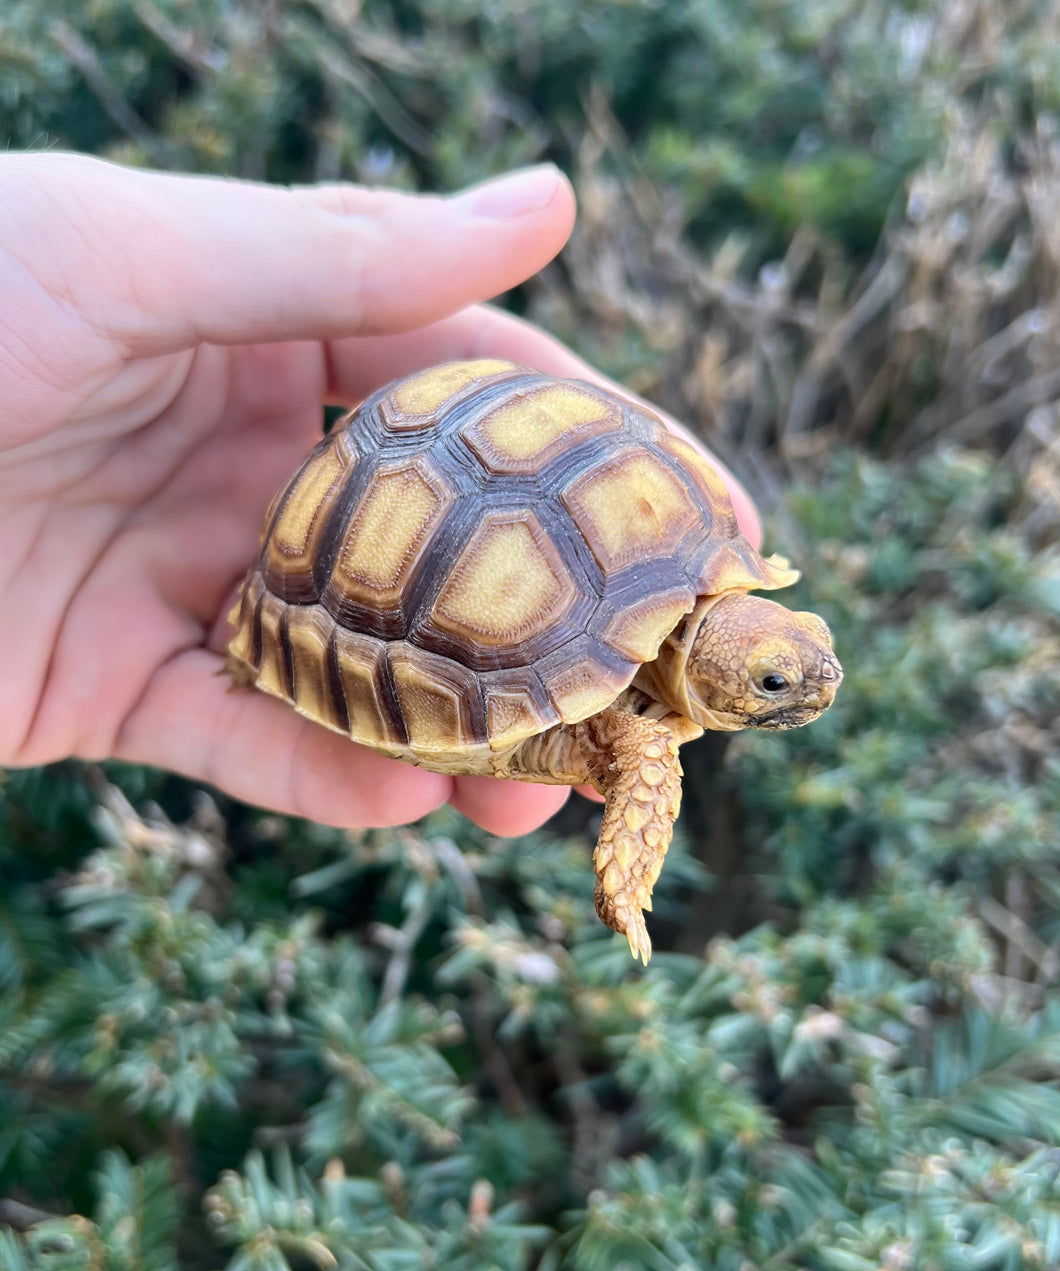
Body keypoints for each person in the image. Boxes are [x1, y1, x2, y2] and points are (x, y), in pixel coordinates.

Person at [0, 151, 760, 836]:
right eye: (771, 683)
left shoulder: (700, 538)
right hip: (370, 533)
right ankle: (268, 629)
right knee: (637, 749)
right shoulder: (632, 729)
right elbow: (640, 752)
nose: (801, 695)